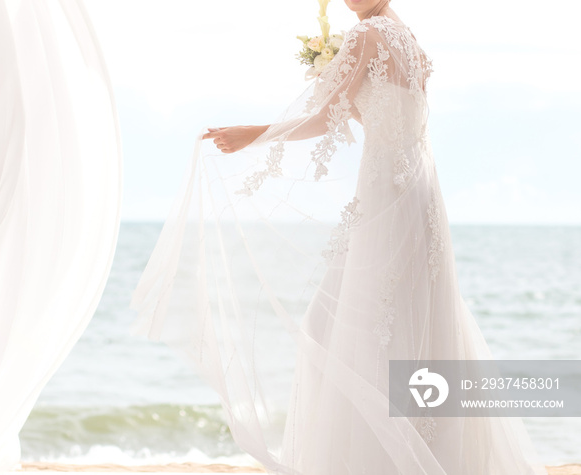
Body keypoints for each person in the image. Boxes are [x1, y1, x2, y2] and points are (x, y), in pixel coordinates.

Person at [131, 0, 546, 473]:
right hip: (417, 193)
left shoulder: (365, 35)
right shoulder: (405, 33)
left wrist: (255, 134)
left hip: (388, 195)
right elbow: (380, 117)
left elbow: (325, 118)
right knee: (410, 321)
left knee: (342, 332)